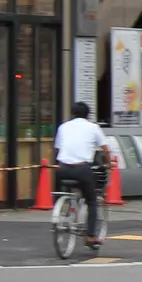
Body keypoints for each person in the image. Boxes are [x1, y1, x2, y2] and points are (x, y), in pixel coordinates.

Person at [53, 102, 111, 246]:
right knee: (91, 200)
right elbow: (105, 149)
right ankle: (90, 236)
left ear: (72, 114)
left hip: (62, 169)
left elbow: (58, 148)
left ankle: (64, 211)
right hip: (82, 169)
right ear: (87, 115)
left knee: (65, 189)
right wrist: (109, 163)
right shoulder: (93, 127)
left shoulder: (63, 127)